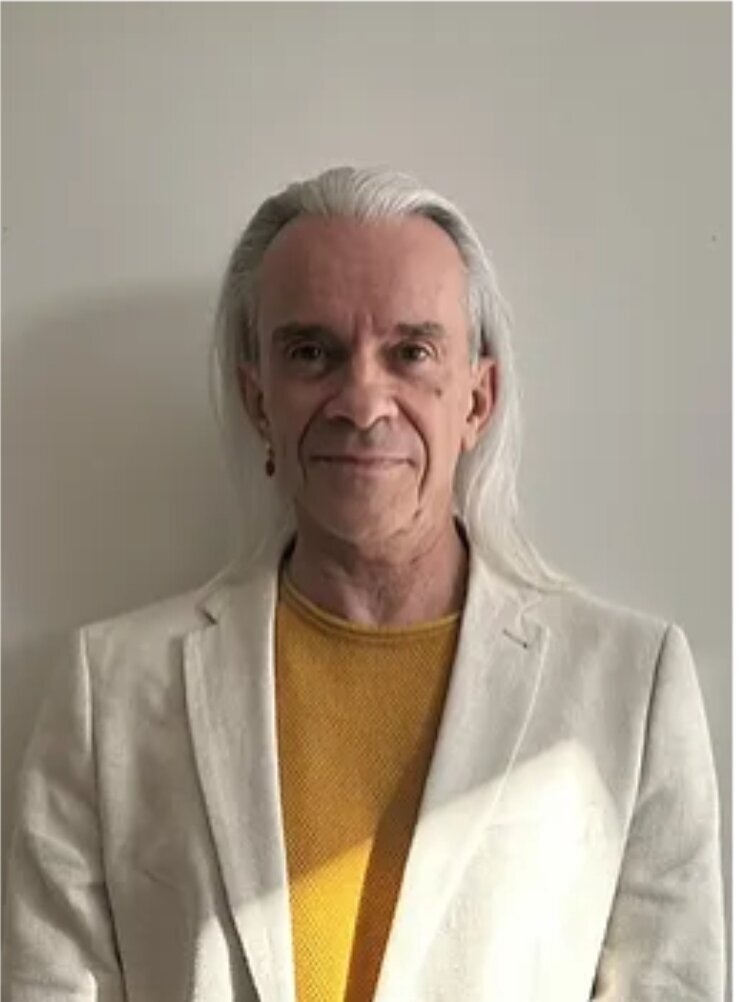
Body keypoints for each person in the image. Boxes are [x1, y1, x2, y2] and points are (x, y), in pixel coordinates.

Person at [4, 166, 725, 1001]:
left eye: (411, 352)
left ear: (477, 401)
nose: (362, 401)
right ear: (258, 400)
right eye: (312, 353)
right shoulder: (112, 691)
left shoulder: (630, 687)